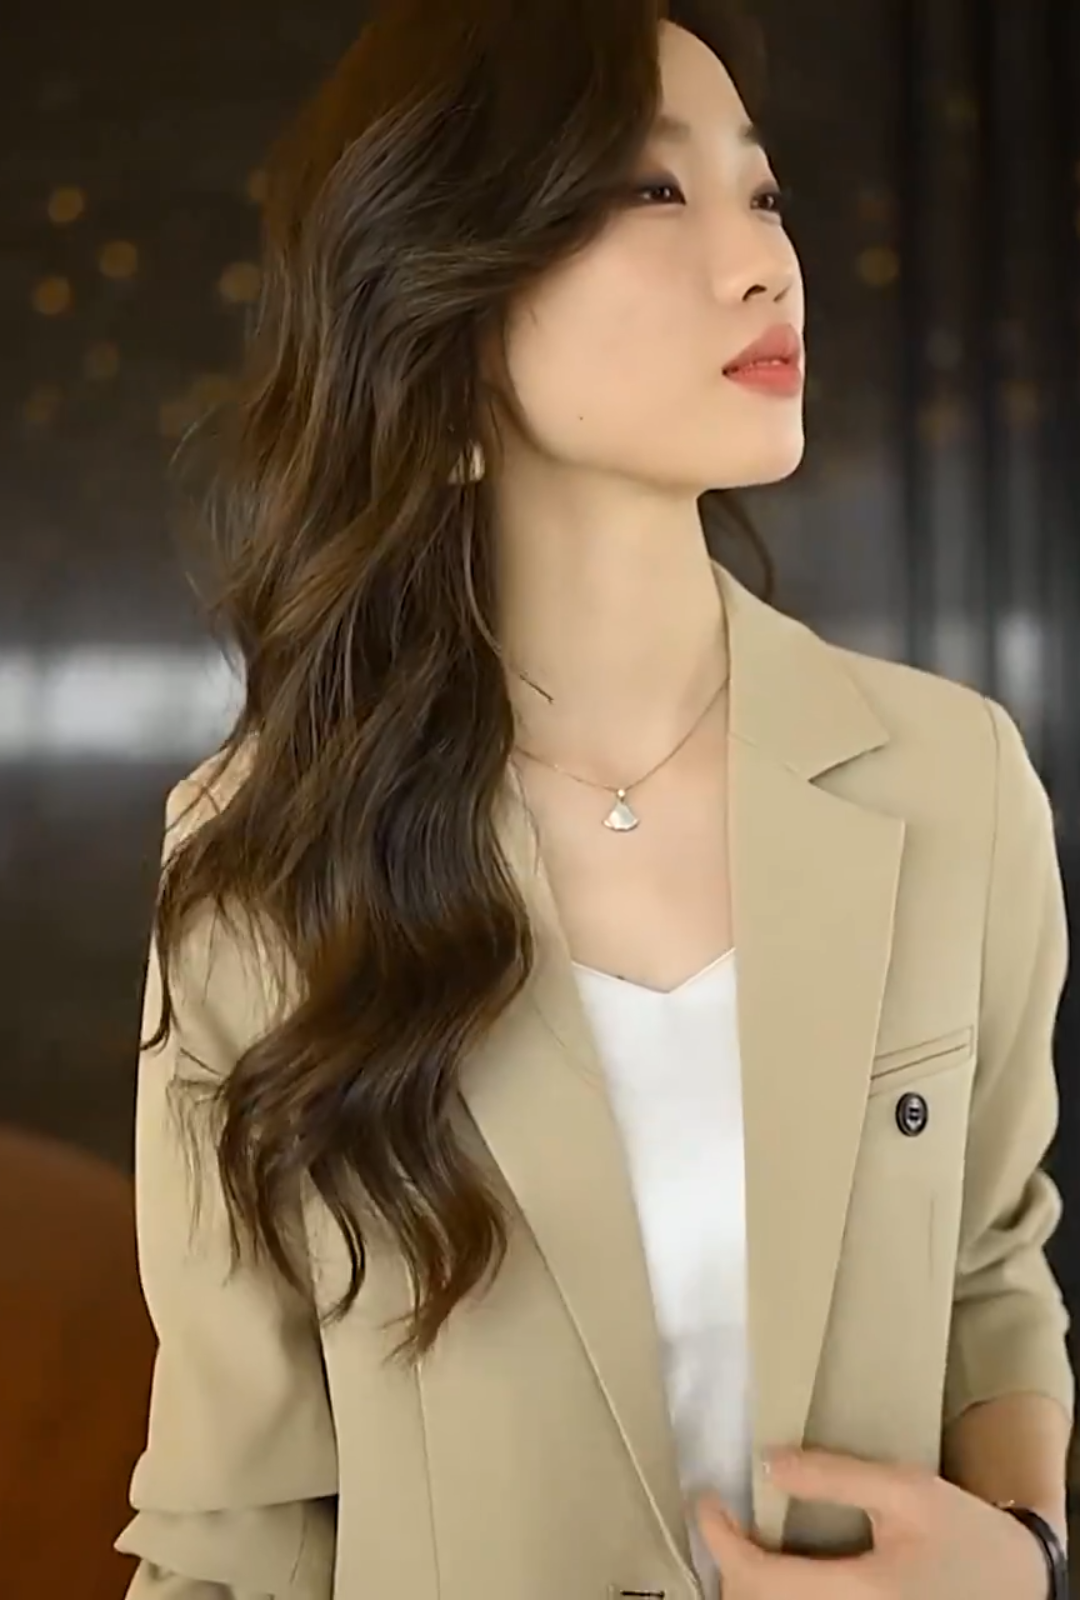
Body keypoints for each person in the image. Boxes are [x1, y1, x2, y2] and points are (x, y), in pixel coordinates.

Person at [114, 0, 1074, 1596]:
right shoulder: (264, 859)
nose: (765, 262)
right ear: (446, 290)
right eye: (653, 190)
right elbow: (236, 1528)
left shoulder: (950, 779)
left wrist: (1027, 1558)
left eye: (763, 191)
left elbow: (991, 1267)